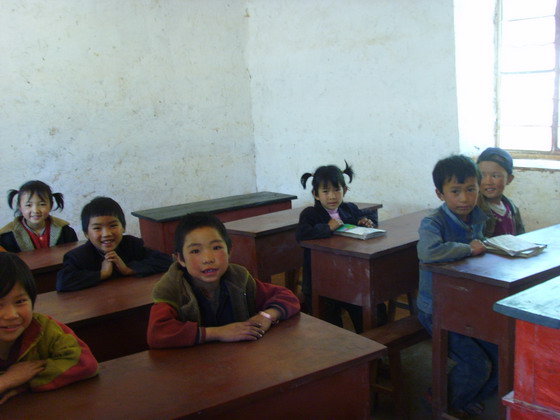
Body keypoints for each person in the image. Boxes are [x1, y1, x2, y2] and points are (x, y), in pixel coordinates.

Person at [416, 154, 497, 418]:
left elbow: (480, 247)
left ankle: (467, 396)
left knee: (502, 355)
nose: (465, 198)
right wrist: (468, 249)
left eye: (471, 189)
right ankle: (442, 399)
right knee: (477, 364)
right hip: (437, 309)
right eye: (455, 191)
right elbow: (428, 252)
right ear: (440, 194)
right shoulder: (433, 222)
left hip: (468, 305)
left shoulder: (478, 216)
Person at [147, 212, 300, 348]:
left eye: (216, 247)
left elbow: (287, 297)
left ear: (229, 251)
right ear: (180, 259)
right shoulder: (172, 289)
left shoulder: (239, 279)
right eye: (195, 251)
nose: (208, 259)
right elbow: (157, 334)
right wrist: (219, 333)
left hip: (239, 361)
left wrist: (266, 316)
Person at [0, 253, 98, 404]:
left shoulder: (43, 328)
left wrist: (26, 381)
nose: (11, 315)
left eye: (20, 301)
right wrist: (7, 380)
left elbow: (85, 363)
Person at [295, 161, 381, 333]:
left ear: (345, 190)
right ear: (316, 194)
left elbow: (369, 218)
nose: (332, 196)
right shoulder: (310, 214)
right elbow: (301, 234)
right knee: (330, 326)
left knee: (373, 312)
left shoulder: (349, 209)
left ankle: (370, 343)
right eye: (325, 191)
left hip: (350, 277)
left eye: (337, 190)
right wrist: (327, 228)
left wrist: (365, 222)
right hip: (321, 279)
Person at [56, 197, 172, 292]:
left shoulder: (131, 245)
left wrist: (128, 269)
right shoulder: (79, 256)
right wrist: (102, 274)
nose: (106, 234)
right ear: (86, 233)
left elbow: (166, 261)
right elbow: (62, 282)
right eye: (97, 228)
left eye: (113, 226)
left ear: (123, 227)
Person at [0, 181, 78, 252]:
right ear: (20, 207)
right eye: (28, 205)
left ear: (51, 205)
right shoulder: (7, 237)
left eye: (42, 204)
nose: (35, 210)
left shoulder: (65, 231)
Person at [477, 147, 525, 237]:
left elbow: (521, 236)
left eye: (495, 176)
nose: (488, 182)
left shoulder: (512, 208)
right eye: (482, 175)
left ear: (509, 179)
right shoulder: (475, 209)